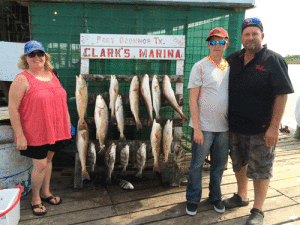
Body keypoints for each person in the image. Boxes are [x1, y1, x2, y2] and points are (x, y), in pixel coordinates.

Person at [223, 18, 294, 225]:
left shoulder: (274, 60)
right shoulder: (233, 59)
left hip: (263, 129)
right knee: (239, 163)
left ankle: (258, 209)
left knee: (261, 170)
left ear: (262, 36)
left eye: (255, 33)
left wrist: (274, 127)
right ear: (242, 38)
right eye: (247, 34)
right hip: (235, 126)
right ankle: (241, 196)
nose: (251, 37)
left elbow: (282, 95)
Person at [8, 40, 71, 216]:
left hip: (55, 129)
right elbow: (13, 108)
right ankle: (35, 198)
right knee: (40, 165)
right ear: (26, 58)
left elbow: (61, 100)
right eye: (32, 54)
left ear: (45, 56)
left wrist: (67, 123)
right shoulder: (22, 79)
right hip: (34, 132)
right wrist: (20, 136)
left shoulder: (53, 74)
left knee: (49, 160)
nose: (37, 57)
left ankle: (46, 192)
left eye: (40, 54)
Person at [186, 27, 230, 215]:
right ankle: (193, 199)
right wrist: (196, 128)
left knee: (219, 165)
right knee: (196, 165)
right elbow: (192, 99)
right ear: (208, 44)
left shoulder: (229, 67)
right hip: (203, 127)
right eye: (213, 41)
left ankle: (215, 197)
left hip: (224, 127)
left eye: (221, 41)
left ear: (226, 44)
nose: (216, 45)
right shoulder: (200, 66)